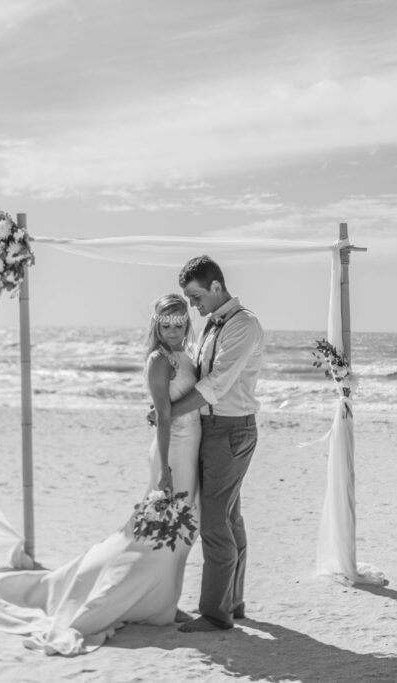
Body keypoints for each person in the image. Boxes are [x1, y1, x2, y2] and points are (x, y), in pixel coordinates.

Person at [0, 294, 201, 655]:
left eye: (179, 324)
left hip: (189, 451)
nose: (172, 331)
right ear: (156, 325)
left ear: (187, 323)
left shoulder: (185, 355)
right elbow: (164, 417)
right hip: (173, 455)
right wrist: (165, 470)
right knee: (157, 535)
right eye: (165, 325)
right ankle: (119, 601)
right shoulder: (158, 360)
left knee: (180, 534)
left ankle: (160, 606)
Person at [171, 255, 265, 633]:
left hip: (230, 430)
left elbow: (216, 386)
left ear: (215, 286)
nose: (194, 306)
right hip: (215, 429)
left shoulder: (244, 325)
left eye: (196, 297)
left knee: (213, 521)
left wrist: (171, 411)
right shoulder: (213, 324)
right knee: (229, 517)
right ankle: (233, 601)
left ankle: (215, 613)